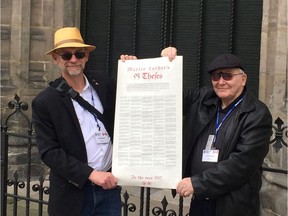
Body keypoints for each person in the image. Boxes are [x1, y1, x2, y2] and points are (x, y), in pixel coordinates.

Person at [121, 47, 272, 216]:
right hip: (201, 199)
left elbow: (241, 164)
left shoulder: (256, 114)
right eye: (216, 76)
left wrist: (197, 183)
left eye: (227, 76)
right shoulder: (203, 98)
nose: (221, 81)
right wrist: (142, 69)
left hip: (233, 204)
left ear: (243, 79)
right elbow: (164, 96)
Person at [32, 27, 121, 216]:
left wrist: (134, 66)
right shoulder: (45, 101)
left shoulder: (104, 83)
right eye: (66, 55)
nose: (73, 60)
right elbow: (49, 152)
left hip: (109, 189)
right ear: (56, 58)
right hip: (73, 194)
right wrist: (90, 174)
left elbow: (136, 99)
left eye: (79, 53)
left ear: (86, 56)